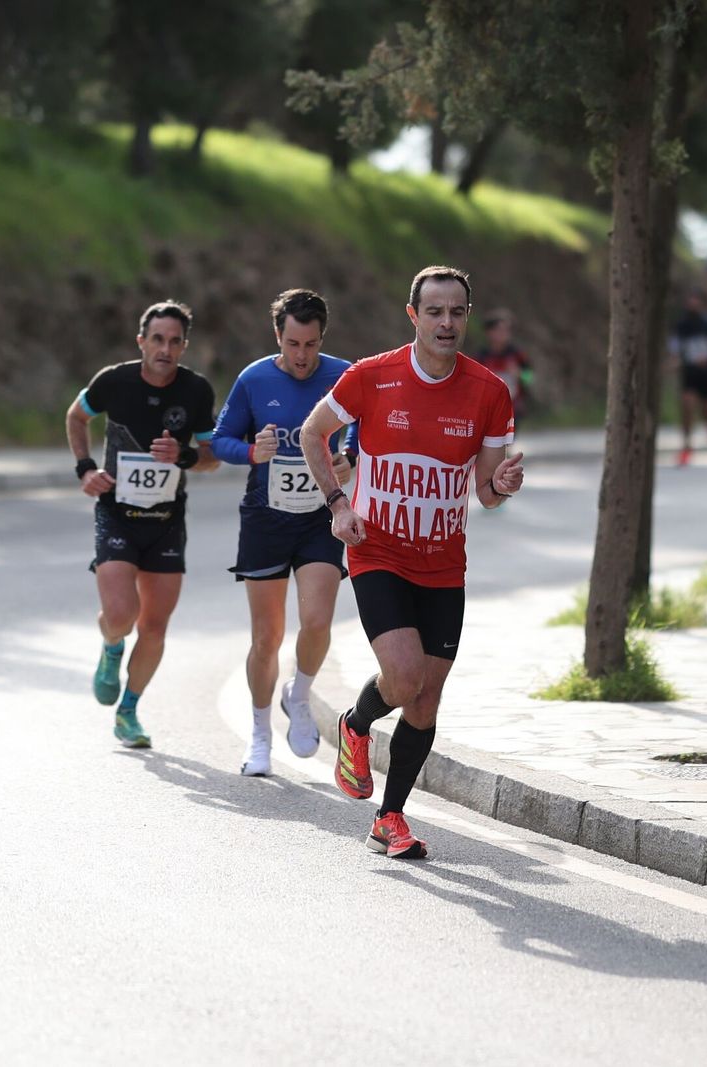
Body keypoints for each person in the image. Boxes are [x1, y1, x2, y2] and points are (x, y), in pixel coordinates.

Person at [298, 265, 524, 859]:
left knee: (425, 700)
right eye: (434, 312)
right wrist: (338, 503)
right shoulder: (373, 377)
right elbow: (311, 433)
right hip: (378, 549)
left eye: (456, 312)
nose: (446, 323)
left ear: (466, 318)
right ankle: (355, 720)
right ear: (413, 316)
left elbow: (487, 492)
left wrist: (501, 483)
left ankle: (390, 817)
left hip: (444, 563)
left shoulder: (489, 392)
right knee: (404, 677)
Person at [211, 289, 357, 777]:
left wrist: (349, 456)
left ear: (322, 339)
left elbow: (364, 427)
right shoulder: (254, 378)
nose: (302, 356)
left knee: (316, 622)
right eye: (293, 344)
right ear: (278, 336)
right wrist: (253, 451)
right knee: (266, 637)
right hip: (266, 519)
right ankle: (258, 735)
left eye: (311, 345)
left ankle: (298, 694)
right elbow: (221, 440)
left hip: (321, 515)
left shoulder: (342, 374)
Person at [65, 300, 219, 749]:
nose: (165, 349)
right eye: (157, 339)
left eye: (174, 341)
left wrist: (186, 457)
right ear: (141, 341)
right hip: (116, 513)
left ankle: (129, 710)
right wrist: (85, 468)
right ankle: (112, 647)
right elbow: (77, 416)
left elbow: (212, 458)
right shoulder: (114, 381)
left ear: (184, 346)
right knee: (121, 616)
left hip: (167, 522)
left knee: (154, 627)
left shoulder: (196, 391)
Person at [670, 291, 707, 465]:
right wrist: (675, 358)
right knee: (687, 404)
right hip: (690, 372)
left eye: (696, 302)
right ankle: (687, 445)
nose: (692, 305)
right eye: (690, 302)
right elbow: (674, 344)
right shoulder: (682, 325)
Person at [473, 308, 533, 429]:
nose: (504, 334)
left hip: (513, 408)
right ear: (489, 332)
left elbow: (530, 378)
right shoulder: (481, 357)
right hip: (488, 409)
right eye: (500, 330)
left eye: (507, 330)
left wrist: (519, 374)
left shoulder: (517, 355)